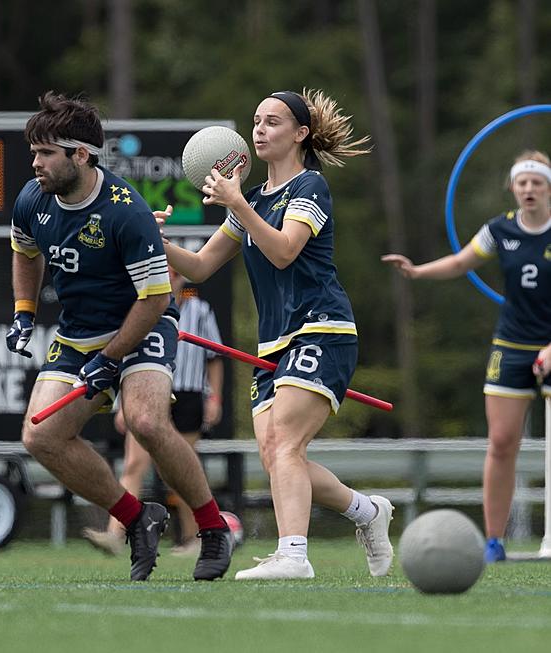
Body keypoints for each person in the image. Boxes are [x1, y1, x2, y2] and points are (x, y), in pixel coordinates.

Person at [157, 89, 394, 580]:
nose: (260, 129)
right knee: (279, 456)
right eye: (256, 121)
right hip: (276, 342)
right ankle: (367, 513)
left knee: (284, 441)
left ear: (300, 134)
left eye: (273, 122)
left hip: (323, 328)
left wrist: (238, 204)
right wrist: (149, 238)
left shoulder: (310, 187)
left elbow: (285, 250)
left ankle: (293, 555)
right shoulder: (252, 200)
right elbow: (199, 267)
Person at [7, 91, 232, 581]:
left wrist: (112, 358)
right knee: (40, 437)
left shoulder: (126, 211)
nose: (35, 162)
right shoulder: (32, 199)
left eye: (46, 153)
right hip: (78, 332)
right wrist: (24, 311)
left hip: (143, 321)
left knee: (147, 422)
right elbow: (26, 255)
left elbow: (153, 300)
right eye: (34, 151)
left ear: (80, 154)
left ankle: (213, 529)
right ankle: (137, 518)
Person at [382, 150, 551, 563]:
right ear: (512, 187)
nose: (529, 189)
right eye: (522, 182)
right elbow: (462, 262)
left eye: (537, 182)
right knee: (501, 442)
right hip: (511, 344)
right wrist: (418, 271)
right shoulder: (500, 229)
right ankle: (494, 541)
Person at [82, 266, 224, 556]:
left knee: (182, 469)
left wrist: (215, 398)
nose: (172, 277)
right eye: (167, 272)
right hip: (148, 391)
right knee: (134, 464)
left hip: (187, 393)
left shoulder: (200, 310)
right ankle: (116, 533)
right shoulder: (143, 308)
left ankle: (195, 537)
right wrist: (124, 404)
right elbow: (127, 356)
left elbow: (215, 357)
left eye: (176, 272)